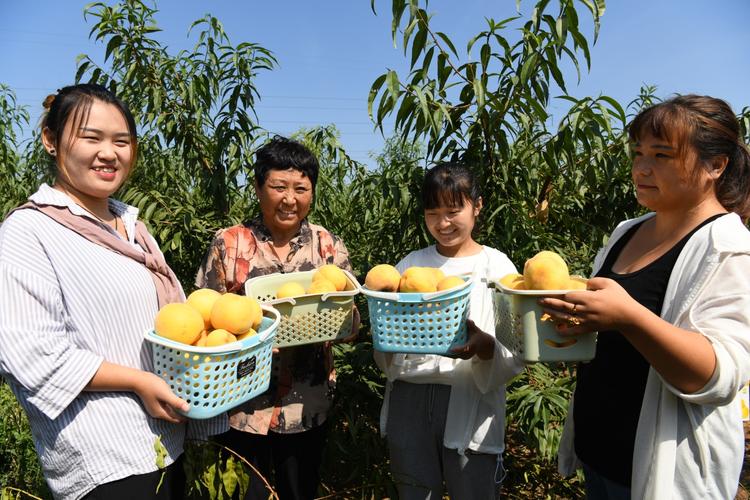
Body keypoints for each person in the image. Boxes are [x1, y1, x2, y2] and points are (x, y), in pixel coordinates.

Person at [0, 84, 225, 500]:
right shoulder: (28, 232)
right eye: (91, 138)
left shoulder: (132, 227)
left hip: (161, 441)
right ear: (51, 140)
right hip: (104, 455)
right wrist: (138, 381)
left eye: (121, 141)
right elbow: (31, 353)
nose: (109, 153)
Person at [542, 95, 750, 499]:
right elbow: (609, 330)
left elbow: (719, 375)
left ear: (715, 165)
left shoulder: (729, 248)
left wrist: (629, 317)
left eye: (662, 155)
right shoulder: (627, 231)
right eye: (638, 153)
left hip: (664, 475)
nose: (641, 167)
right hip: (600, 454)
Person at [195, 135, 359, 500]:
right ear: (258, 188)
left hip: (306, 405)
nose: (290, 199)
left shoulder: (326, 246)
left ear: (312, 192)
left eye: (301, 188)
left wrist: (343, 322)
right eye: (278, 186)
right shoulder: (229, 243)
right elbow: (203, 320)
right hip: (239, 405)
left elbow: (350, 324)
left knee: (298, 491)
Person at [373, 162, 524, 499]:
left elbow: (515, 344)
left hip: (471, 393)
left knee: (473, 490)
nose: (443, 223)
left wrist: (486, 346)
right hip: (410, 396)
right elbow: (386, 333)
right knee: (413, 490)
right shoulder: (411, 264)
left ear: (477, 206)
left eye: (454, 210)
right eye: (433, 212)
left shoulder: (496, 266)